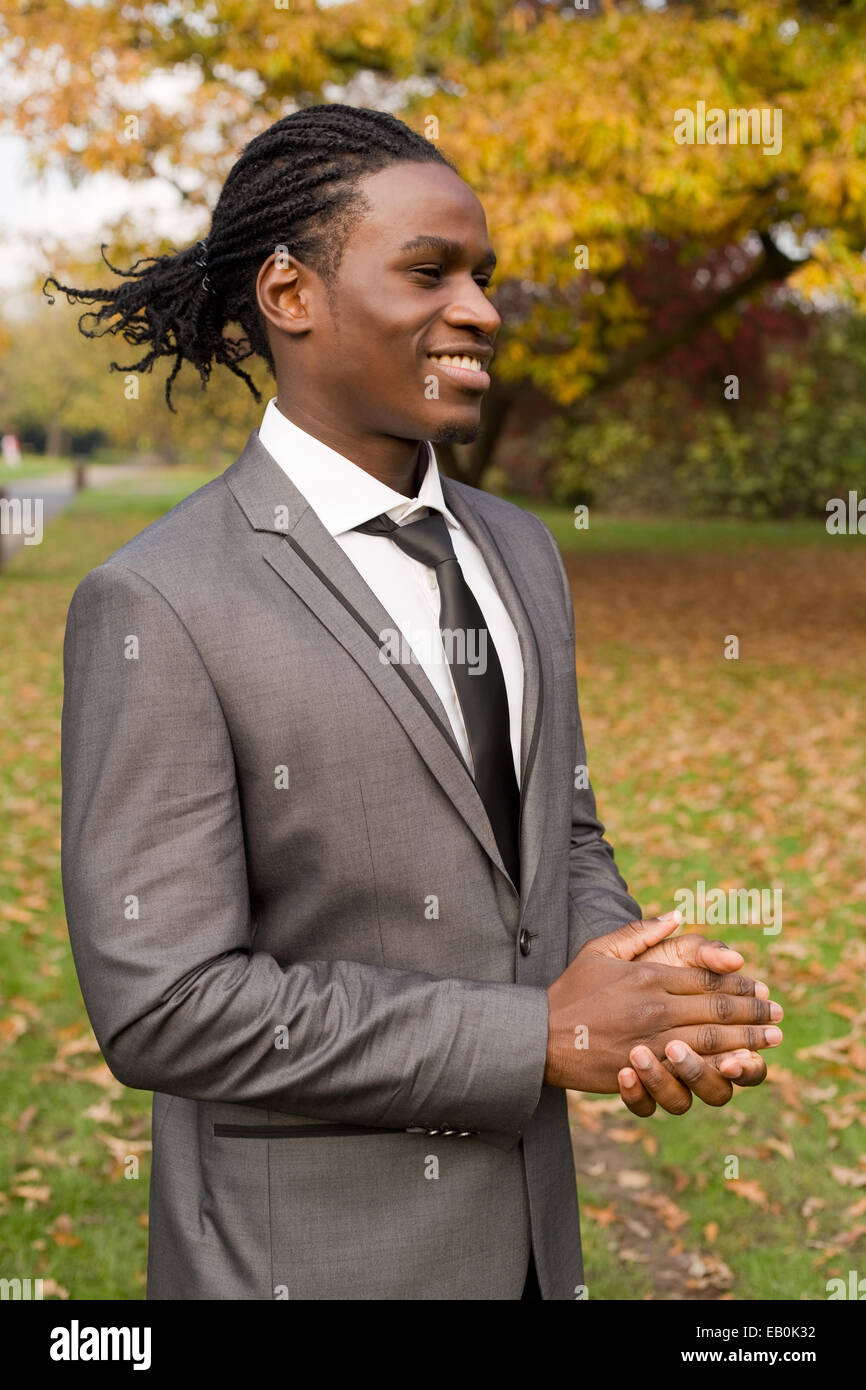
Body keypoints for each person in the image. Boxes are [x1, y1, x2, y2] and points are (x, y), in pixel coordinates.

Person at [50, 103, 781, 1301]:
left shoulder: (521, 551)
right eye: (429, 272)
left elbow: (558, 833)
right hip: (304, 1261)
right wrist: (535, 1036)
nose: (483, 310)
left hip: (535, 1246)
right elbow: (163, 1004)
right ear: (289, 295)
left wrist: (635, 984)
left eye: (484, 276)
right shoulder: (157, 600)